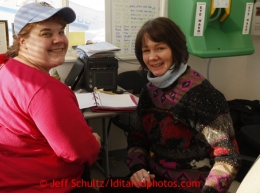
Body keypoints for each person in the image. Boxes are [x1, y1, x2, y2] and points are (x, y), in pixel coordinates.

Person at [0, 2, 101, 193]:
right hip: (29, 185)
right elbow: (79, 152)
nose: (59, 40)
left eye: (61, 31)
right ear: (22, 41)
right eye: (46, 33)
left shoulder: (8, 68)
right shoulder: (44, 89)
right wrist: (94, 142)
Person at [100, 17, 241, 193]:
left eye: (160, 48)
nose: (152, 57)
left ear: (176, 49)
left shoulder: (204, 95)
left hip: (193, 185)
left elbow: (228, 157)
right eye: (146, 50)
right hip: (155, 179)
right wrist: (138, 169)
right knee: (106, 187)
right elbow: (137, 139)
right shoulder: (148, 92)